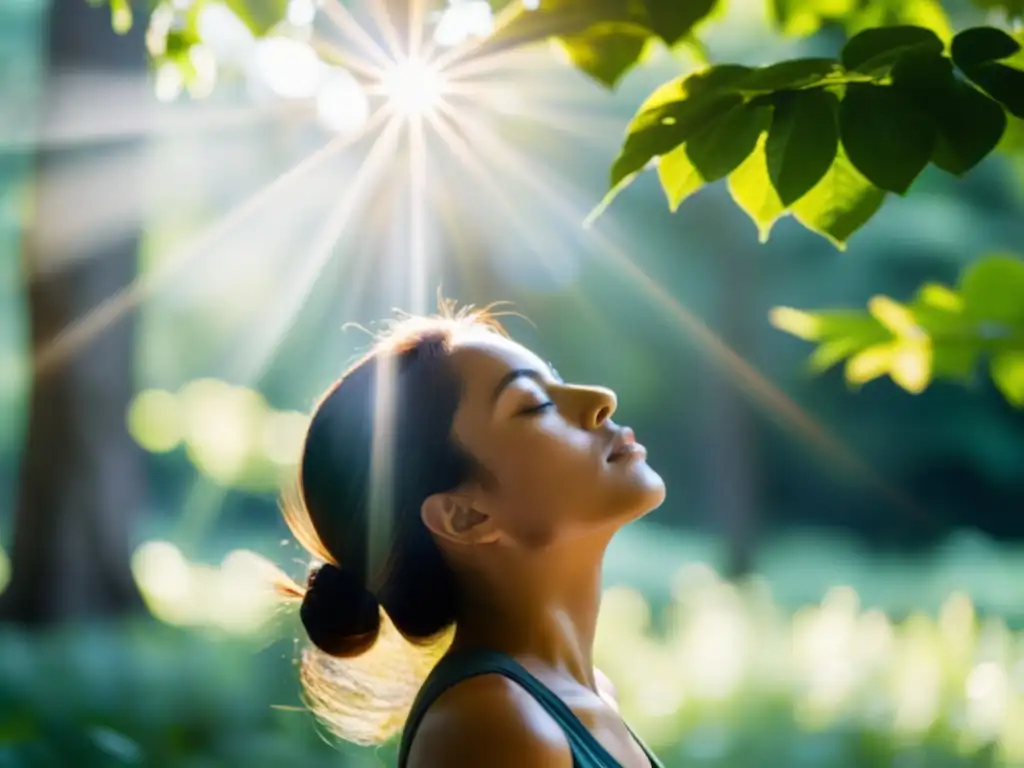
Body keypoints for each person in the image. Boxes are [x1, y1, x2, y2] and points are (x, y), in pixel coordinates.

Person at [277, 302, 666, 767]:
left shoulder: (585, 695)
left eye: (556, 378)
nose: (600, 399)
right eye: (535, 404)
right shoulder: (496, 723)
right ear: (465, 516)